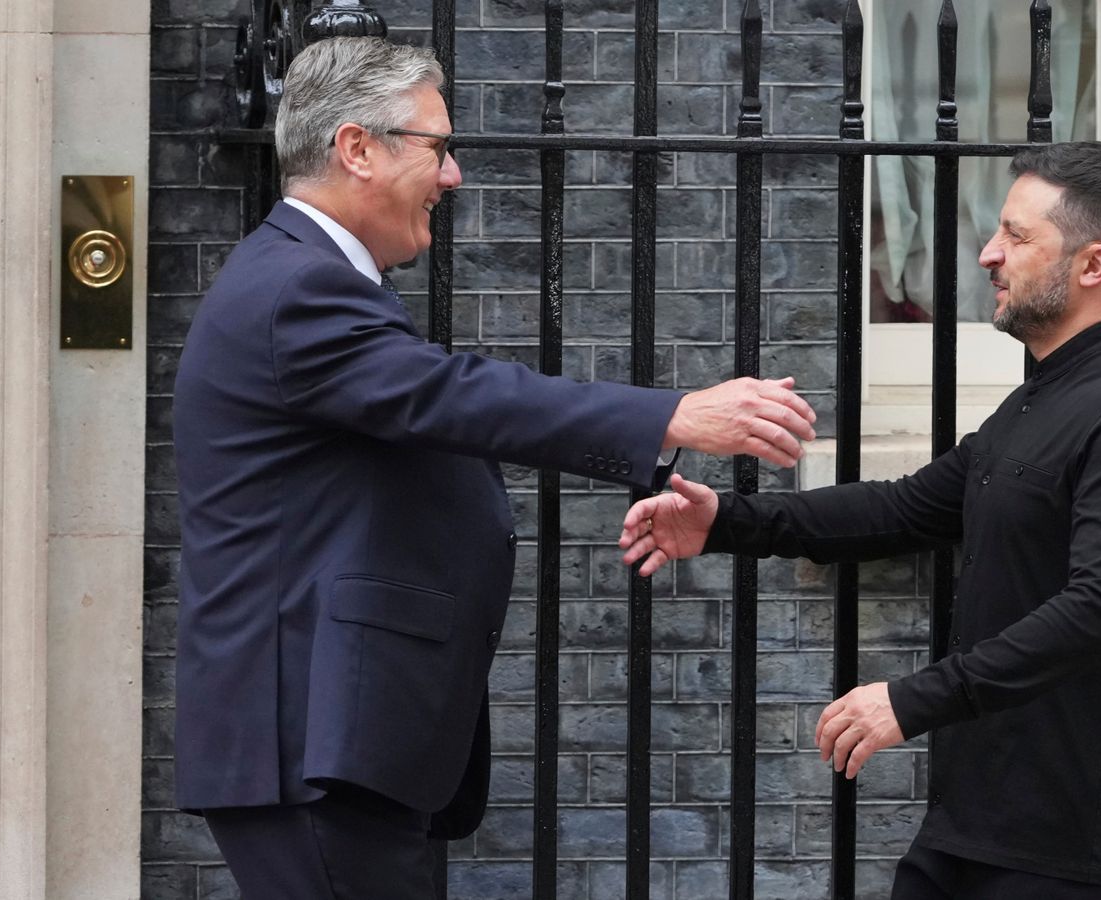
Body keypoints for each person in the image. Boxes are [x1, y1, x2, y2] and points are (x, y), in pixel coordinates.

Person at [172, 36, 819, 899]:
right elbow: (455, 396)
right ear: (357, 147)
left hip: (330, 742)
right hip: (306, 741)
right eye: (438, 146)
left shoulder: (307, 278)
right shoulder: (299, 288)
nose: (453, 176)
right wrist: (671, 414)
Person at [620, 141, 1101, 898]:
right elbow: (906, 506)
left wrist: (910, 699)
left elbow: (1100, 609)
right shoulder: (1045, 399)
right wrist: (727, 522)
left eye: (1018, 236)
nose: (990, 255)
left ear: (1094, 265)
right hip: (977, 819)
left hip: (1069, 842)